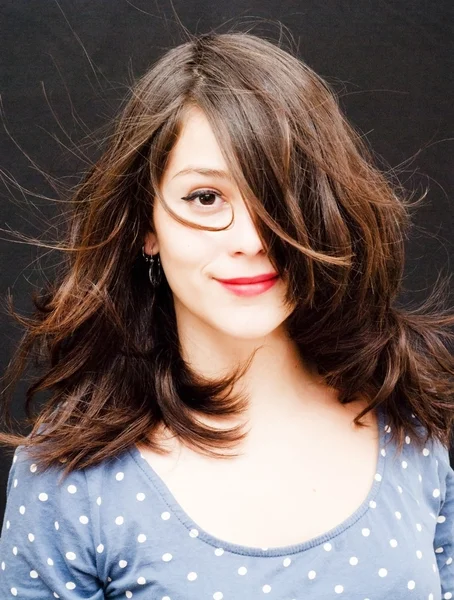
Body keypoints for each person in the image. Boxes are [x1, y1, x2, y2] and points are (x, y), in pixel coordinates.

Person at [0, 30, 453, 599]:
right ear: (146, 226)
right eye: (205, 198)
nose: (251, 239)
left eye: (280, 195)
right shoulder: (70, 476)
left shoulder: (408, 424)